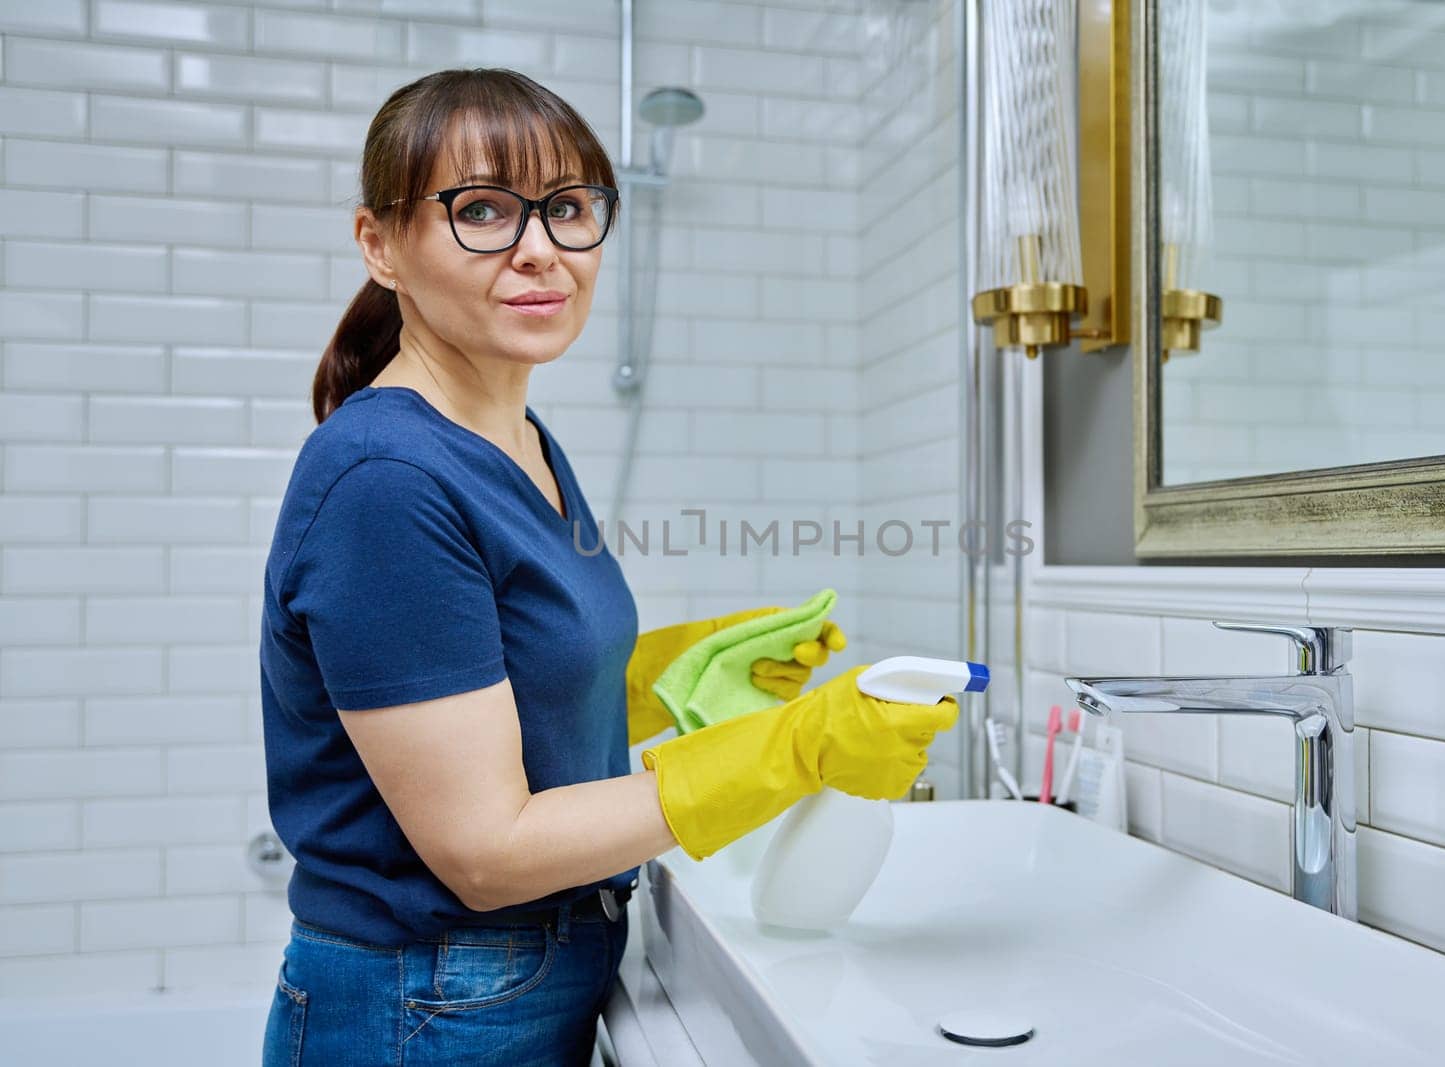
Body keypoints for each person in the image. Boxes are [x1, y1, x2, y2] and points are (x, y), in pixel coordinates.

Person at [257, 68, 957, 1067]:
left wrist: (679, 672)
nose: (540, 248)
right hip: (427, 998)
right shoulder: (388, 481)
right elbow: (486, 849)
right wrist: (790, 746)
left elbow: (495, 685)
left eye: (570, 208)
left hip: (516, 975)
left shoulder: (517, 435)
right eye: (483, 210)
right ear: (380, 244)